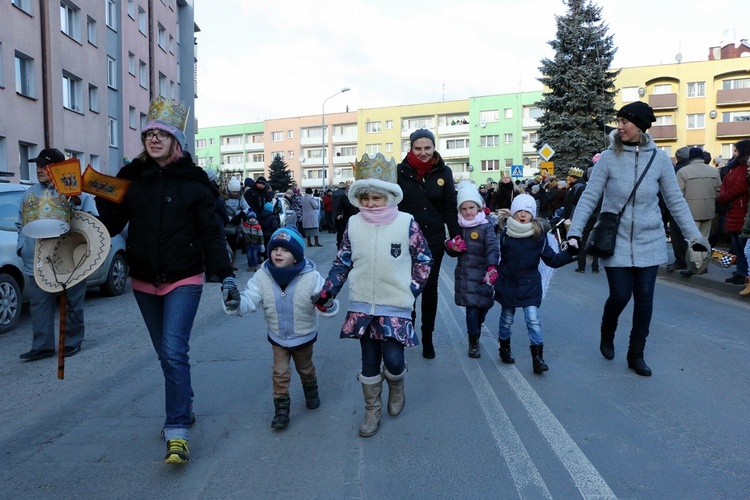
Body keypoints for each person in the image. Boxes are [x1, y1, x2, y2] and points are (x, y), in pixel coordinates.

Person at [95, 96, 238, 464]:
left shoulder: (194, 182)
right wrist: (96, 194)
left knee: (175, 351)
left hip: (183, 277)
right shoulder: (132, 178)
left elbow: (211, 232)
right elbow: (111, 225)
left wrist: (225, 276)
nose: (154, 139)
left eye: (162, 134)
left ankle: (177, 430)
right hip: (144, 281)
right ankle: (184, 406)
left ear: (176, 141)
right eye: (149, 134)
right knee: (166, 355)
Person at [566, 102, 709, 377]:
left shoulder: (659, 159)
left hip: (650, 239)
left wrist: (694, 237)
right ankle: (607, 332)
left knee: (645, 298)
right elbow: (589, 198)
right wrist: (574, 233)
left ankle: (636, 353)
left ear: (640, 125)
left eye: (624, 122)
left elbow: (675, 201)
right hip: (615, 240)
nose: (619, 127)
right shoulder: (608, 158)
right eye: (618, 121)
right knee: (620, 295)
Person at [317, 153, 433, 437]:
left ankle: (396, 386)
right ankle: (372, 411)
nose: (370, 203)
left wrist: (411, 289)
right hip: (362, 307)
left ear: (390, 197)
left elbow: (424, 260)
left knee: (394, 359)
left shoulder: (406, 222)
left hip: (396, 304)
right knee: (368, 362)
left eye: (376, 198)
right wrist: (328, 290)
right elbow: (343, 261)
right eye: (365, 197)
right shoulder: (354, 225)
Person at [223, 227, 338, 430]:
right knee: (280, 371)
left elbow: (325, 301)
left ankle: (311, 392)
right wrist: (237, 302)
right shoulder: (262, 276)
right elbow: (250, 299)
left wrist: (326, 303)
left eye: (284, 250)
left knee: (305, 369)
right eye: (274, 249)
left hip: (303, 335)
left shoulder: (311, 277)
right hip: (277, 336)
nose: (278, 253)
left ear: (296, 256)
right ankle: (281, 412)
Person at [17, 148, 98, 361]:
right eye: (37, 166)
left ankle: (71, 342)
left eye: (44, 166)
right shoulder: (29, 193)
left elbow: (92, 222)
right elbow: (20, 223)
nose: (39, 170)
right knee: (39, 304)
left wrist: (76, 204)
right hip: (36, 258)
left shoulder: (77, 191)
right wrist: (21, 246)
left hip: (69, 256)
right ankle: (42, 346)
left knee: (71, 301)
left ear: (58, 168)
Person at [397, 128, 460, 359]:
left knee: (430, 287)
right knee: (407, 286)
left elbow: (449, 207)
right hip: (405, 239)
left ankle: (427, 338)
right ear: (411, 148)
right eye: (418, 148)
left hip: (433, 238)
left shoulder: (444, 171)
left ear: (434, 147)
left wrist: (455, 236)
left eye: (427, 148)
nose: (423, 153)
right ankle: (407, 330)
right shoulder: (399, 172)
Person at [495, 194, 575, 373]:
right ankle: (504, 349)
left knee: (533, 320)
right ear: (514, 213)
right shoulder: (505, 235)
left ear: (533, 214)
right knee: (507, 319)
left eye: (527, 211)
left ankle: (538, 358)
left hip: (529, 283)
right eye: (519, 211)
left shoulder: (538, 237)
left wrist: (571, 253)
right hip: (508, 283)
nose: (523, 215)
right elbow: (496, 258)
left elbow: (552, 260)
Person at [444, 182, 499, 358]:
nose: (468, 212)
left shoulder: (486, 226)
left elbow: (492, 247)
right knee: (471, 310)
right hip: (466, 276)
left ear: (479, 207)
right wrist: (451, 246)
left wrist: (492, 266)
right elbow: (450, 247)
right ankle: (473, 342)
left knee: (483, 307)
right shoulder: (459, 226)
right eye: (464, 209)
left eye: (472, 207)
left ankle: (477, 325)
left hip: (484, 275)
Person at [676, 147, 721, 276]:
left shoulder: (683, 171)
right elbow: (719, 190)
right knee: (704, 238)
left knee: (693, 240)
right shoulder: (714, 171)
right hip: (708, 209)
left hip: (690, 211)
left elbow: (678, 193)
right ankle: (704, 265)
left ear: (690, 157)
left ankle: (696, 267)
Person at [717, 140, 750, 285]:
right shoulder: (733, 166)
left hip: (740, 208)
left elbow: (740, 187)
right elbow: (725, 183)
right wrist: (723, 197)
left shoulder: (744, 167)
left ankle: (744, 273)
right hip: (732, 207)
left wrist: (724, 197)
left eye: (736, 150)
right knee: (737, 244)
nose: (733, 153)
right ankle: (740, 272)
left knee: (742, 245)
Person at [665, 146, 692, 271]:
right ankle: (699, 262)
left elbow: (672, 193)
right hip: (701, 209)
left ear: (678, 158)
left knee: (678, 235)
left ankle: (680, 261)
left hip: (678, 208)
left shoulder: (677, 171)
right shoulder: (708, 170)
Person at [223, 177, 250, 270]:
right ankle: (226, 262)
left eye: (236, 192)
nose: (235, 194)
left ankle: (232, 263)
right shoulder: (222, 197)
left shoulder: (240, 198)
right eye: (233, 192)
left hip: (235, 224)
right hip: (225, 223)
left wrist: (242, 214)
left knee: (233, 244)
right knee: (225, 245)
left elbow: (247, 208)